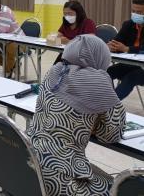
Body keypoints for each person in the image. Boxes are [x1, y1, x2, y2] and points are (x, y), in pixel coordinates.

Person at [28, 35, 125, 195]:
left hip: (29, 164)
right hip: (61, 180)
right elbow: (111, 135)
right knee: (120, 189)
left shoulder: (55, 70)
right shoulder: (99, 81)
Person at [107, 0, 144, 100]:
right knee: (106, 73)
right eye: (133, 11)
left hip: (142, 68)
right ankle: (103, 100)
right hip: (130, 64)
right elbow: (117, 40)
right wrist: (112, 46)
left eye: (139, 12)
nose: (135, 14)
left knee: (131, 77)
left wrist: (127, 49)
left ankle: (111, 105)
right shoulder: (128, 24)